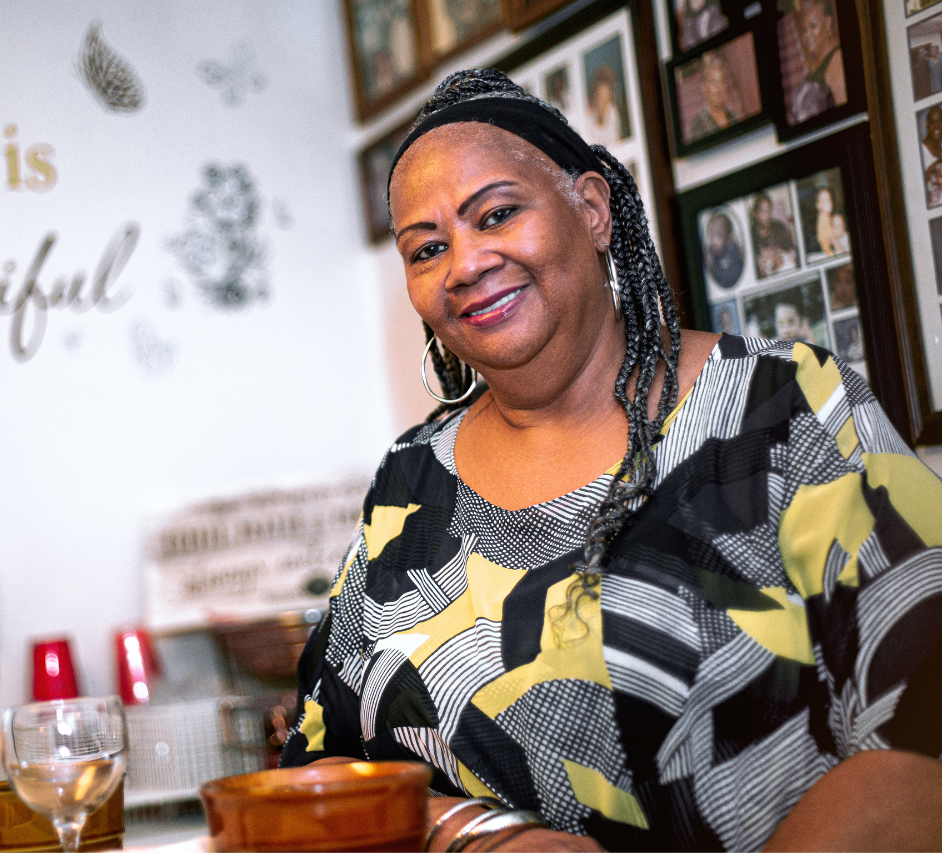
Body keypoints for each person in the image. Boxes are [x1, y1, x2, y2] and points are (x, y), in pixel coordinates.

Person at [280, 68, 942, 852]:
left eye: (497, 214)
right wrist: (473, 831)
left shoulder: (786, 410)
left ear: (592, 209)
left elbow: (922, 735)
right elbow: (316, 773)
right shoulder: (409, 482)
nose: (464, 264)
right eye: (427, 249)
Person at [789, 0, 846, 123]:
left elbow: (846, 117)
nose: (807, 35)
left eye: (813, 26)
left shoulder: (837, 60)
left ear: (828, 23)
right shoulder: (817, 63)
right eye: (804, 29)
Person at [687, 51, 738, 143]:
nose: (719, 88)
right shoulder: (698, 126)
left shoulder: (734, 117)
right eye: (714, 82)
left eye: (722, 81)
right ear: (704, 87)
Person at [750, 193, 797, 277]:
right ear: (755, 214)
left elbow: (792, 250)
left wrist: (783, 255)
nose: (767, 215)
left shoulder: (779, 227)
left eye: (769, 210)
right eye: (763, 211)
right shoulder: (750, 237)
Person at [704, 210, 743, 289]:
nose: (714, 239)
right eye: (711, 234)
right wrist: (709, 264)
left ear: (728, 236)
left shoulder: (733, 250)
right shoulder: (711, 255)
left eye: (719, 234)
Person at [584, 63, 621, 146]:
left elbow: (617, 141)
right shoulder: (587, 113)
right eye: (600, 96)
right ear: (594, 95)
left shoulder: (613, 112)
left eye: (606, 98)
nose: (602, 103)